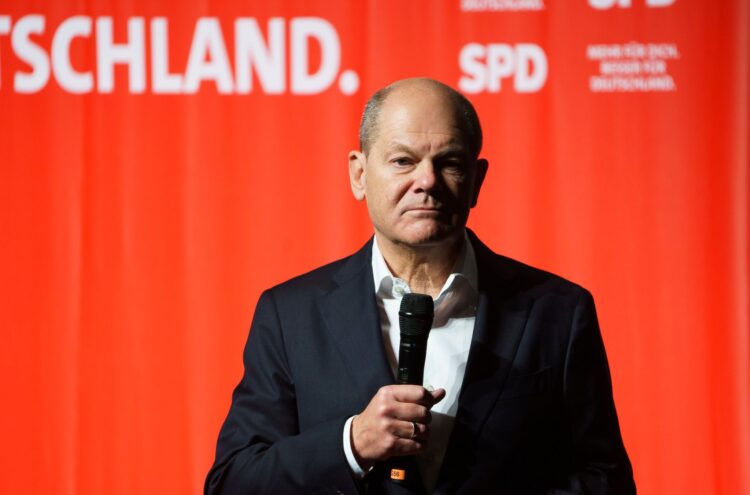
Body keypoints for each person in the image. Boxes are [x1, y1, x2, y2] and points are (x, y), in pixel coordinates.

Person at [205, 78, 635, 494]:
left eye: (449, 162)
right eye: (403, 161)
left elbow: (607, 481)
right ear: (359, 174)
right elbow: (232, 482)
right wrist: (352, 445)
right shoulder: (290, 315)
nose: (427, 181)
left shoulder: (558, 311)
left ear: (477, 181)